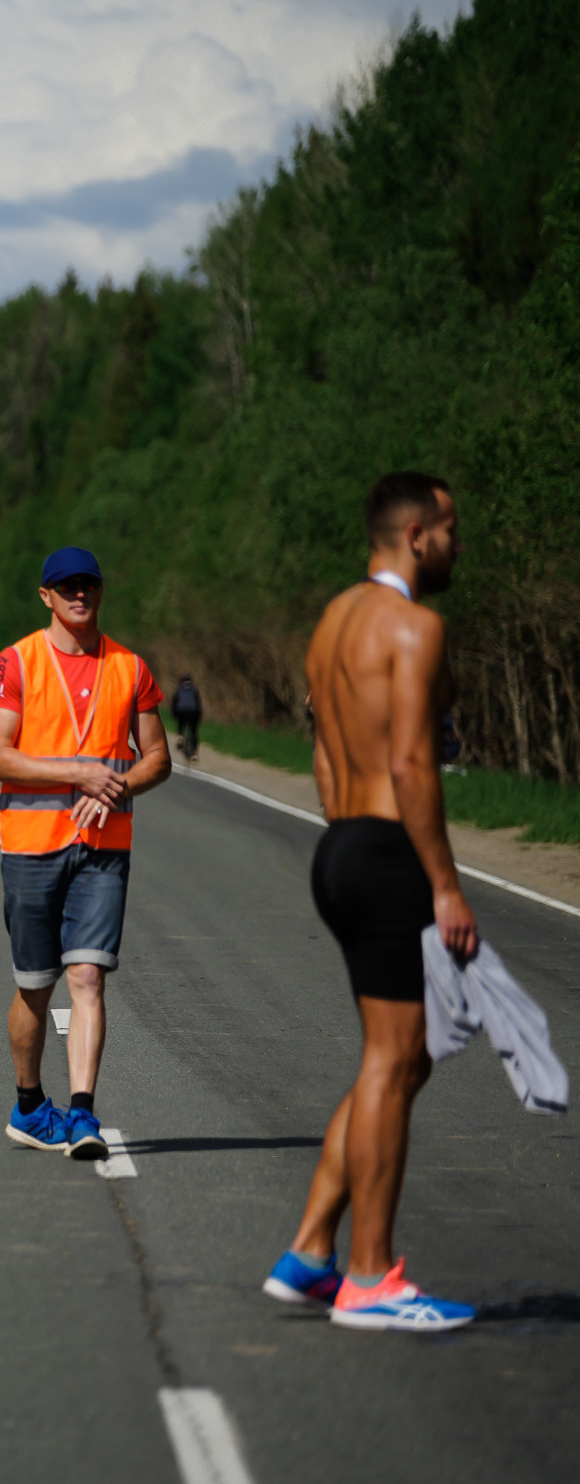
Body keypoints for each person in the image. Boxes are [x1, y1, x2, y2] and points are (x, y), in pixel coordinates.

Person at [264, 473, 477, 1332]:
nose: (458, 544)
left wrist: (344, 829)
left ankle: (312, 1251)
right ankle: (371, 1278)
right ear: (417, 534)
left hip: (341, 844)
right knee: (394, 1061)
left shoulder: (333, 624)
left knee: (400, 1058)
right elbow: (414, 765)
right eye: (451, 528)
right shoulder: (416, 627)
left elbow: (323, 736)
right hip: (388, 851)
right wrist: (445, 883)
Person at [0, 547, 171, 1164]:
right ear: (46, 595)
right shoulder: (17, 661)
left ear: (101, 590)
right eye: (66, 587)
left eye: (88, 584)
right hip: (31, 848)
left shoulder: (130, 667)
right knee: (36, 987)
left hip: (103, 849)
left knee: (88, 976)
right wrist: (79, 772)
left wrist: (117, 786)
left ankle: (83, 1112)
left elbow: (158, 758)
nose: (78, 594)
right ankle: (30, 1107)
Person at [172, 676, 202, 761]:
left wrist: (175, 714)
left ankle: (180, 737)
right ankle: (194, 754)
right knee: (193, 731)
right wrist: (199, 716)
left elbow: (174, 703)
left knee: (181, 723)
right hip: (193, 710)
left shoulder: (179, 689)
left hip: (181, 710)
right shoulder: (194, 689)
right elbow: (198, 703)